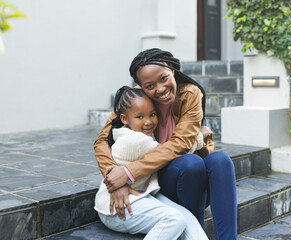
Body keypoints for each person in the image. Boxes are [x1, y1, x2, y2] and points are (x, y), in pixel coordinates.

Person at [94, 48, 237, 240]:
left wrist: (128, 172)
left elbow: (180, 143)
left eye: (163, 78)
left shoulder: (190, 93)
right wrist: (115, 178)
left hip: (191, 185)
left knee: (220, 160)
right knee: (190, 163)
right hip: (159, 181)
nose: (160, 89)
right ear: (140, 86)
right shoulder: (133, 100)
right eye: (150, 85)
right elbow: (102, 140)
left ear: (171, 69)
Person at [94, 86, 208, 240]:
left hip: (141, 195)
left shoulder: (139, 134)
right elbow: (174, 151)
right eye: (140, 117)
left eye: (152, 114)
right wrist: (200, 135)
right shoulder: (135, 140)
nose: (148, 122)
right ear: (124, 119)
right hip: (116, 207)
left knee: (188, 217)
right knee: (175, 219)